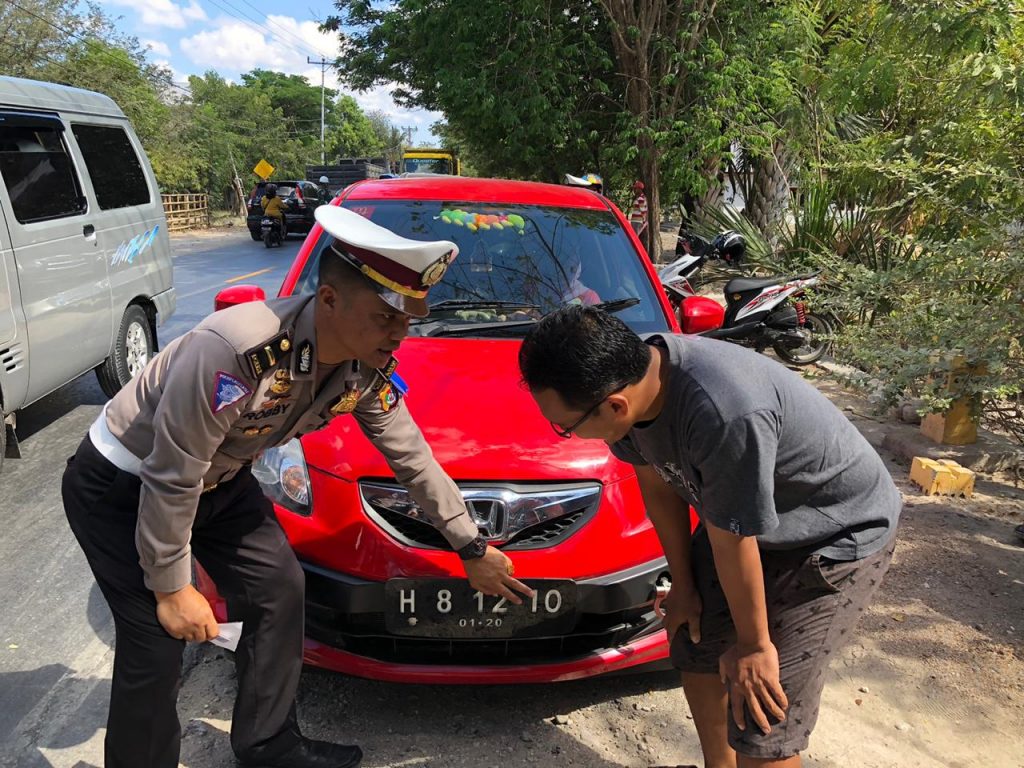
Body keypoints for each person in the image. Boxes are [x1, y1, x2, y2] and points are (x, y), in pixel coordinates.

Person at [62, 205, 532, 768]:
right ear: (329, 300)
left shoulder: (361, 369)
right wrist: (171, 587)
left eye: (410, 318)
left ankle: (269, 745)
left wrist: (471, 546)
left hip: (221, 480)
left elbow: (414, 459)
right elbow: (173, 469)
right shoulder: (238, 349)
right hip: (126, 483)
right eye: (387, 317)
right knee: (156, 643)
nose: (401, 333)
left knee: (279, 587)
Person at [518, 306, 901, 768]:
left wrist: (755, 645)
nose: (563, 435)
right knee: (694, 642)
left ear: (614, 404)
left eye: (566, 426)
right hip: (746, 523)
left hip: (832, 533)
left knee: (763, 709)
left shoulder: (723, 412)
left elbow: (732, 539)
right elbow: (659, 486)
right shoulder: (635, 382)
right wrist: (683, 583)